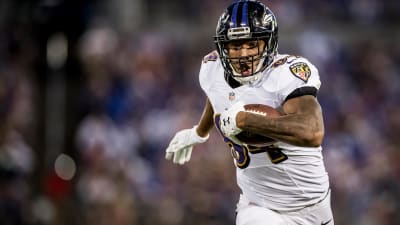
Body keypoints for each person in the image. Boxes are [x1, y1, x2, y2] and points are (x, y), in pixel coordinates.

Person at [165, 1, 334, 224]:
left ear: (268, 44)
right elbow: (217, 96)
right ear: (223, 48)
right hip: (259, 206)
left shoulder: (285, 73)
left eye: (251, 45)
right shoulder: (211, 68)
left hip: (313, 205)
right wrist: (199, 131)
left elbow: (312, 133)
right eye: (235, 46)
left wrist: (247, 120)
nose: (243, 55)